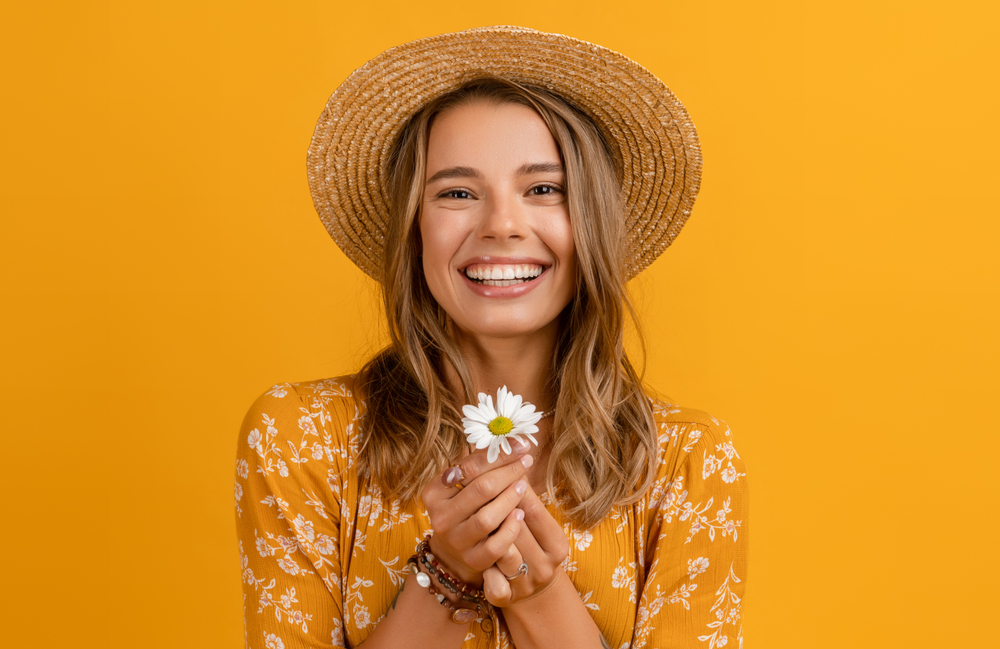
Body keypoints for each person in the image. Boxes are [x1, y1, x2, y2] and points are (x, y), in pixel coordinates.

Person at [235, 26, 748, 649]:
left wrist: (536, 591)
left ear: (589, 223)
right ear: (413, 230)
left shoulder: (687, 463)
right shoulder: (302, 439)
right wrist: (446, 575)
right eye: (457, 192)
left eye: (543, 189)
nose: (503, 225)